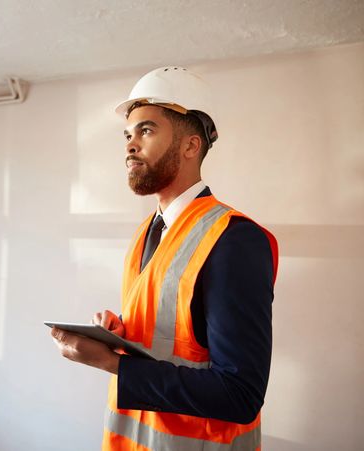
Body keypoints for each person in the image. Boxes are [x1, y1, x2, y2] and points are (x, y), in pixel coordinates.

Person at [50, 66, 279, 451]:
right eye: (128, 134)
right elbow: (171, 337)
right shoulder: (147, 232)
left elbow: (240, 394)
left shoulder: (234, 238)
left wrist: (112, 364)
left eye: (147, 130)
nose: (129, 145)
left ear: (191, 146)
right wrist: (118, 334)